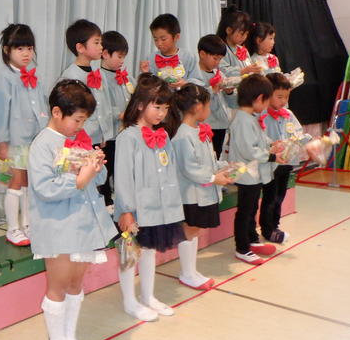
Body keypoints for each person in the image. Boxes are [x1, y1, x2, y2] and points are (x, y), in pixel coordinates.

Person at [28, 80, 118, 340]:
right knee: (58, 284)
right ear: (57, 112)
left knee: (76, 283)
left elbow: (95, 181)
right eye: (77, 120)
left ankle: (70, 337)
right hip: (58, 226)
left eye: (84, 120)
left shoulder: (80, 138)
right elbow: (44, 187)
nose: (80, 126)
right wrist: (79, 179)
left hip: (83, 223)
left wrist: (97, 167)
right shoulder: (43, 143)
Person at [115, 74, 186, 321]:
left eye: (165, 108)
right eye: (157, 107)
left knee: (149, 251)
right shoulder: (127, 137)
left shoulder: (163, 136)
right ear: (140, 104)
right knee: (130, 253)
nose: (162, 113)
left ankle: (148, 296)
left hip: (157, 207)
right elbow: (123, 177)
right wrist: (126, 210)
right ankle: (129, 300)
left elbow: (169, 170)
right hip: (136, 208)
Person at [0, 24, 49, 246]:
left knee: (29, 184)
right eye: (19, 48)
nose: (26, 54)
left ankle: (28, 224)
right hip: (13, 141)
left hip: (33, 140)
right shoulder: (4, 78)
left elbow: (42, 109)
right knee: (14, 183)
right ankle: (13, 228)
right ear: (7, 50)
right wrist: (1, 143)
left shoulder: (34, 77)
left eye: (29, 48)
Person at [172, 84, 233, 290]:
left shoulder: (199, 130)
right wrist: (214, 177)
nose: (210, 109)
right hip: (191, 195)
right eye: (208, 105)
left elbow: (208, 160)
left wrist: (224, 167)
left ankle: (191, 270)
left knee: (195, 230)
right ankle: (186, 272)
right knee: (189, 230)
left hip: (203, 191)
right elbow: (190, 169)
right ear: (198, 107)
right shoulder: (183, 135)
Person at [225, 74, 285, 265]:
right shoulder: (242, 120)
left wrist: (271, 143)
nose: (266, 105)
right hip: (245, 173)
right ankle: (242, 248)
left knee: (251, 208)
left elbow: (259, 138)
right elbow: (248, 150)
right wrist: (271, 156)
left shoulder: (249, 117)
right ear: (259, 99)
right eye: (267, 101)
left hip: (253, 173)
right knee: (245, 211)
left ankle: (252, 239)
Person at [260, 72, 307, 244]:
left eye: (286, 97)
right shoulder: (261, 116)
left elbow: (298, 132)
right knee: (270, 197)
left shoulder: (288, 114)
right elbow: (260, 140)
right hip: (271, 164)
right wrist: (273, 146)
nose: (283, 101)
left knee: (280, 196)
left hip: (287, 163)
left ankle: (275, 225)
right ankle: (267, 229)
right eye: (279, 97)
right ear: (267, 94)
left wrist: (302, 140)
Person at [60, 19, 113, 147]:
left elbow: (105, 105)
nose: (101, 47)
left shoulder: (99, 73)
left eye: (101, 43)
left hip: (98, 138)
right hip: (80, 139)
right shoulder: (70, 76)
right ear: (80, 47)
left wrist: (105, 134)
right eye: (96, 43)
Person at [98, 30, 133, 207]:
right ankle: (105, 201)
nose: (122, 61)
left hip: (124, 134)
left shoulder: (126, 76)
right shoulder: (98, 77)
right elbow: (99, 107)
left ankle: (120, 200)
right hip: (108, 135)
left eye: (123, 57)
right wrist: (118, 114)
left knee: (122, 169)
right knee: (106, 169)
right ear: (105, 54)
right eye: (119, 56)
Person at [196, 34, 236, 157]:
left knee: (216, 156)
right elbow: (195, 98)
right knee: (204, 156)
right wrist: (212, 89)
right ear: (202, 54)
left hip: (221, 125)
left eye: (220, 59)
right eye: (215, 58)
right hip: (204, 125)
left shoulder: (220, 74)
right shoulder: (195, 74)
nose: (217, 62)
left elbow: (233, 104)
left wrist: (229, 92)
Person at [139, 13, 201, 88]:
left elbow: (199, 82)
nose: (159, 43)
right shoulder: (150, 58)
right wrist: (145, 73)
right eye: (155, 39)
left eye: (163, 39)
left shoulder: (188, 57)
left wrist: (185, 83)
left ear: (176, 37)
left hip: (183, 95)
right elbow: (145, 86)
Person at [217, 6, 262, 79]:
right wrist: (243, 71)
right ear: (229, 30)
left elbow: (249, 66)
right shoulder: (221, 49)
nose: (244, 37)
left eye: (246, 34)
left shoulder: (243, 50)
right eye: (241, 33)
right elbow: (222, 70)